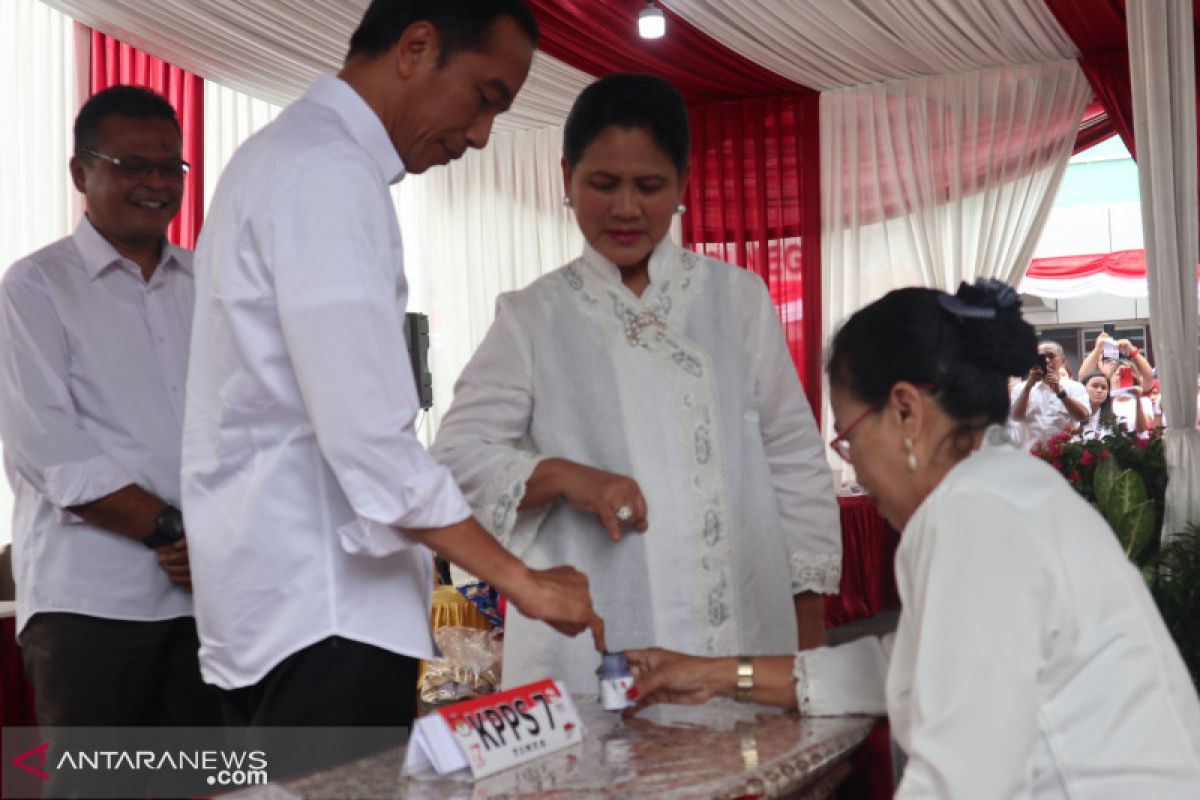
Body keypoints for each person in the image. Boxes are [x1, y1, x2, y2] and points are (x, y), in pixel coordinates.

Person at [182, 0, 601, 743]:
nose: (479, 136)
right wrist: (521, 580)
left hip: (272, 604)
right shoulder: (329, 173)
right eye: (484, 98)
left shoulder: (278, 155)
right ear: (415, 47)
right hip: (325, 614)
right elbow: (370, 441)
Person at [624, 279, 1200, 798]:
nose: (855, 467)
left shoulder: (968, 515)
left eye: (848, 437)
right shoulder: (1006, 489)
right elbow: (899, 666)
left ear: (905, 412)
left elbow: (960, 777)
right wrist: (715, 673)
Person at [430, 73, 840, 695]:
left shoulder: (738, 299)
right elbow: (457, 460)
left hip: (743, 629)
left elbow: (795, 460)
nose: (625, 208)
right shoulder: (532, 316)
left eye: (648, 186)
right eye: (602, 184)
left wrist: (808, 651)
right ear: (566, 177)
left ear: (684, 183)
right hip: (598, 635)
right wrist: (566, 476)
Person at [0, 86, 219, 729]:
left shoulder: (213, 284)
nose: (155, 183)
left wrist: (228, 535)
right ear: (81, 172)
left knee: (215, 784)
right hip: (90, 605)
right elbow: (50, 449)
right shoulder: (34, 288)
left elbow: (251, 426)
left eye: (168, 167)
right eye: (131, 166)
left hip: (211, 601)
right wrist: (178, 532)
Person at [1008, 340, 1089, 447]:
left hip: (1064, 454)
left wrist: (1061, 394)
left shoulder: (1075, 387)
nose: (1046, 360)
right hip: (1031, 454)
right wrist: (1028, 387)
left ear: (1062, 361)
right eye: (1041, 358)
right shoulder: (1021, 388)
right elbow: (1016, 417)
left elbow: (1083, 416)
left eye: (1051, 356)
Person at [1076, 369, 1116, 439]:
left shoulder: (1112, 418)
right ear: (1083, 388)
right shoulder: (1072, 413)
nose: (1099, 390)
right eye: (1095, 386)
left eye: (1104, 388)